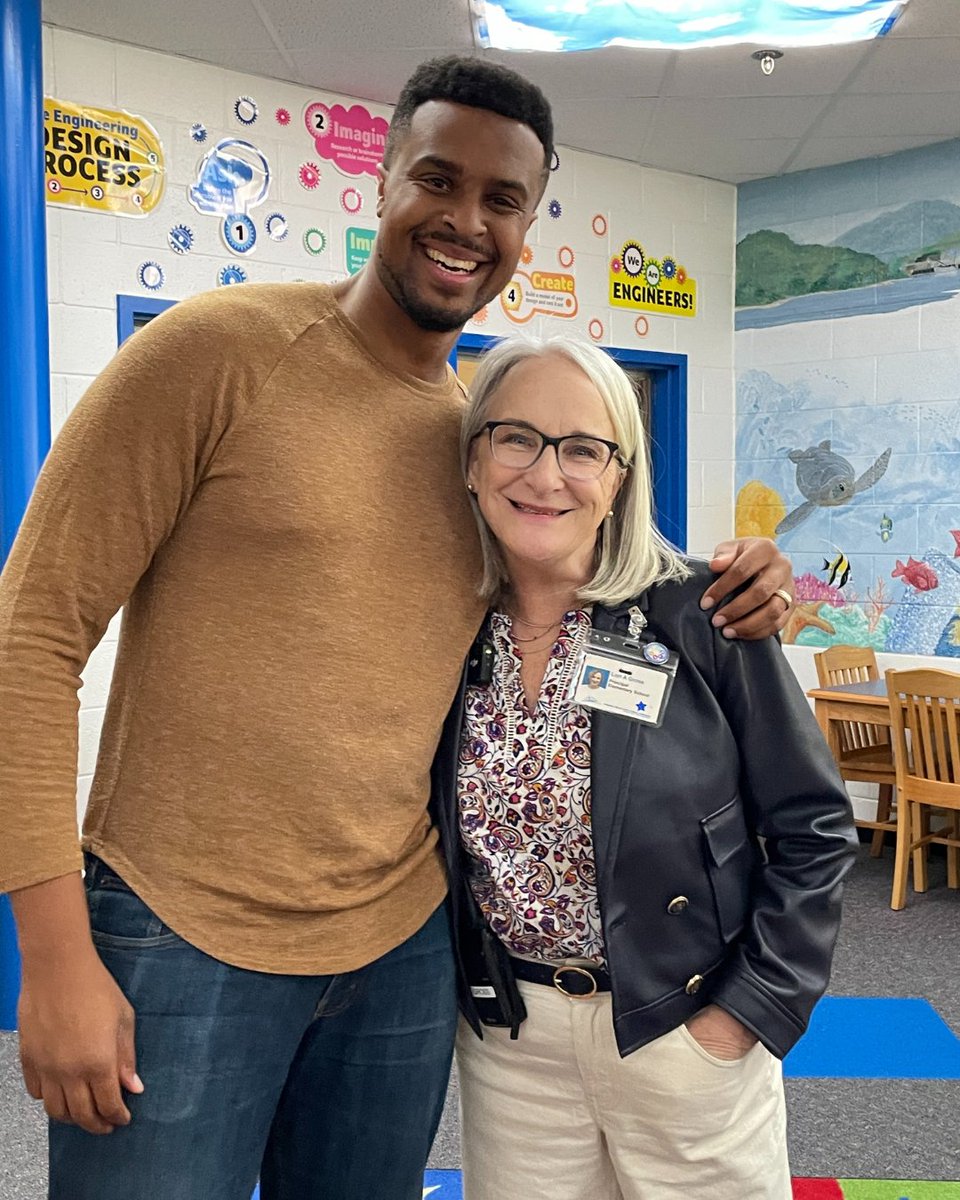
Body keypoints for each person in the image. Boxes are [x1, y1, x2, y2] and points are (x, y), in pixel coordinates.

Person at [0, 56, 794, 1200]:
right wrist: (50, 952)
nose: (465, 220)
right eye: (438, 179)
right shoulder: (213, 353)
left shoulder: (480, 448)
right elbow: (30, 639)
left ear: (526, 227)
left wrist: (739, 578)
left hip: (401, 959)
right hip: (177, 939)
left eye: (502, 199)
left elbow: (591, 561)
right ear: (382, 181)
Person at [431, 335, 857, 1200]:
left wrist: (745, 1016)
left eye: (583, 449)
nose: (546, 475)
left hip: (683, 1030)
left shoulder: (703, 612)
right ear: (474, 461)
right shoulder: (439, 625)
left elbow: (813, 826)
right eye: (516, 438)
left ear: (619, 477)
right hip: (511, 1046)